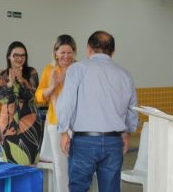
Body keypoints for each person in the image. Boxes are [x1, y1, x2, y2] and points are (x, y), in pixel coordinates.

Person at [56, 31, 138, 192]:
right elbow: (132, 108)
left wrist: (63, 132)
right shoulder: (125, 75)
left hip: (84, 143)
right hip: (114, 143)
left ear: (88, 49)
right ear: (112, 52)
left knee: (78, 188)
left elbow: (66, 103)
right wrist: (127, 133)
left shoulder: (77, 69)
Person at [35, 34, 77, 192]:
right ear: (55, 53)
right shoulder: (49, 70)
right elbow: (39, 96)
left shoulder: (79, 69)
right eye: (62, 52)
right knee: (60, 166)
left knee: (78, 165)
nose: (66, 56)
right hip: (56, 123)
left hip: (77, 124)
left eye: (69, 52)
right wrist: (53, 85)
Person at [0, 41, 42, 165]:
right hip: (8, 122)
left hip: (30, 121)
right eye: (16, 55)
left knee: (30, 162)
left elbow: (31, 96)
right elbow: (0, 98)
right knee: (10, 162)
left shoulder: (31, 72)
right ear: (9, 56)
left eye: (23, 55)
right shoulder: (2, 74)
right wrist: (10, 85)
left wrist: (21, 80)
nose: (20, 58)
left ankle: (30, 185)